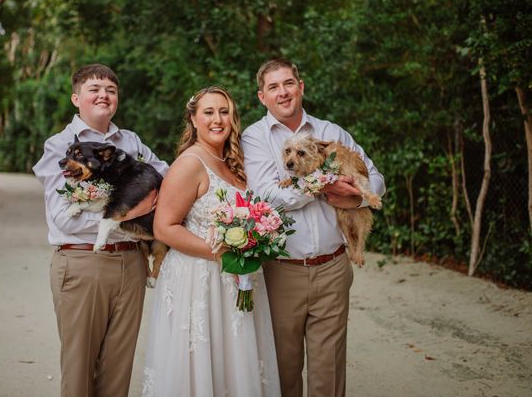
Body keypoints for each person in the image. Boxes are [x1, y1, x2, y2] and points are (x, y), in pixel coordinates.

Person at [242, 58, 386, 397]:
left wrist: (357, 199)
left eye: (288, 83)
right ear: (262, 96)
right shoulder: (255, 138)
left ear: (301, 87)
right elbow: (267, 194)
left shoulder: (331, 132)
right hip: (281, 270)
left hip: (332, 266)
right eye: (273, 87)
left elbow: (374, 178)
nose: (283, 92)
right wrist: (322, 185)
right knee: (283, 368)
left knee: (329, 370)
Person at [32, 64, 168, 397]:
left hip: (131, 265)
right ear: (76, 98)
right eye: (94, 88)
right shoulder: (59, 146)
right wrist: (131, 218)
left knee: (118, 372)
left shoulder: (131, 142)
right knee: (79, 370)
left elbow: (167, 181)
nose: (103, 95)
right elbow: (66, 219)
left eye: (110, 89)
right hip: (82, 266)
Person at [142, 87, 281, 397]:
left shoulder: (234, 163)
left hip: (238, 280)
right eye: (208, 112)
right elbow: (164, 228)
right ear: (193, 119)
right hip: (200, 280)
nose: (217, 119)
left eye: (224, 111)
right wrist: (224, 255)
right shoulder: (190, 163)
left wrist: (255, 242)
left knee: (235, 363)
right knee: (201, 368)